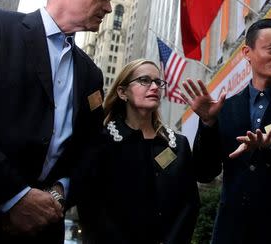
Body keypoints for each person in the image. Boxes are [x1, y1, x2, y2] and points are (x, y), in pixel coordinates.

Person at [0, 0, 116, 243]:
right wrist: (16, 196)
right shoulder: (0, 29)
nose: (109, 8)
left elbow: (91, 147)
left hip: (46, 225)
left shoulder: (91, 74)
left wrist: (59, 192)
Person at [182, 18, 271, 243]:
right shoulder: (225, 108)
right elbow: (204, 171)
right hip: (233, 232)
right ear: (247, 52)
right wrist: (208, 123)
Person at [75, 59, 200, 244]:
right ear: (122, 92)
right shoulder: (101, 141)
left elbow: (189, 205)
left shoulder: (178, 145)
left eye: (158, 82)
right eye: (144, 80)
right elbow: (90, 207)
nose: (154, 87)